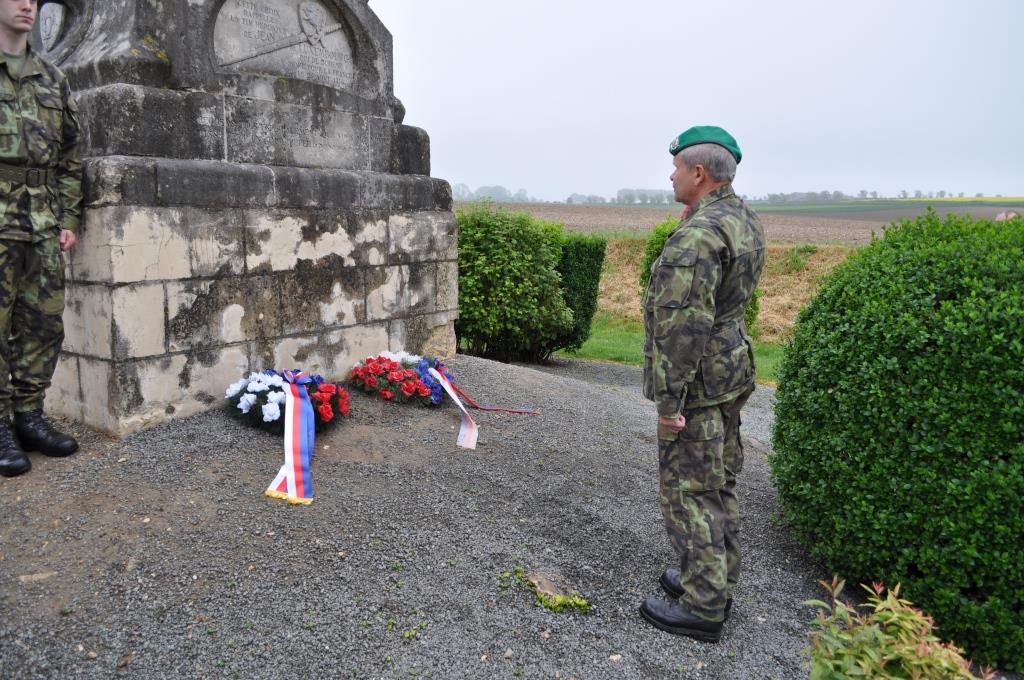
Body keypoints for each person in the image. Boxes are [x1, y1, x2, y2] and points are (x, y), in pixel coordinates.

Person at [639, 126, 765, 642]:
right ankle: (710, 575)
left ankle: (705, 605)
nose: (670, 175)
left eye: (676, 167)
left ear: (698, 173)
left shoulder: (698, 235)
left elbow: (682, 326)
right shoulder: (739, 218)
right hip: (730, 370)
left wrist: (671, 403)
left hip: (699, 382)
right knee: (719, 479)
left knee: (689, 490)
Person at [0, 0, 82, 478]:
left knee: (43, 324)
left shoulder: (51, 77)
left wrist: (68, 215)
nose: (28, 4)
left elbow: (71, 151)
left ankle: (29, 416)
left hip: (42, 221)